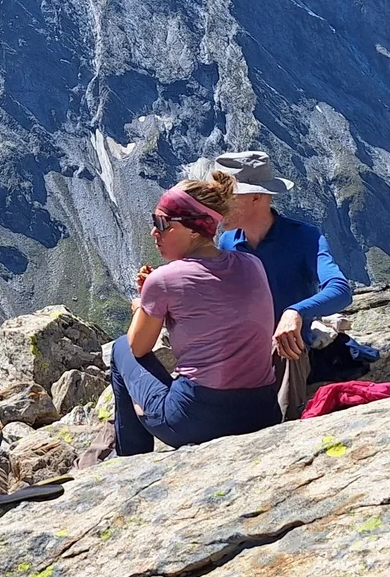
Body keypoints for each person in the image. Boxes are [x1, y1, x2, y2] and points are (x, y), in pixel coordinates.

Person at [112, 172, 281, 456]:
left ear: (192, 229)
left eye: (162, 223)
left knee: (120, 349)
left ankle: (130, 460)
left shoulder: (164, 280)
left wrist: (143, 304)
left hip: (197, 421)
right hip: (262, 411)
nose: (154, 232)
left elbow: (138, 347)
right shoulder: (252, 263)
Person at [212, 151, 354, 420]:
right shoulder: (227, 242)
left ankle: (282, 430)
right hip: (245, 348)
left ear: (257, 197)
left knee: (287, 345)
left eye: (225, 196)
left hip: (287, 348)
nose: (216, 206)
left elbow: (340, 290)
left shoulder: (304, 237)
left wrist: (295, 312)